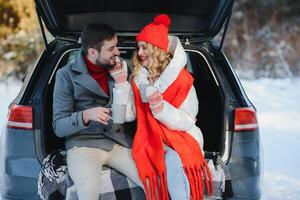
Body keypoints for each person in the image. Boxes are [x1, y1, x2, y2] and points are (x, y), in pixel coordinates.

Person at [52, 23, 141, 200]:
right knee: (88, 192)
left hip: (118, 142)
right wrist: (85, 115)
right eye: (111, 48)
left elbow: (132, 110)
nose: (117, 52)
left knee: (151, 181)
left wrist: (123, 83)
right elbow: (59, 126)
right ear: (92, 52)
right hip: (83, 146)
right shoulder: (66, 75)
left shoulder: (120, 67)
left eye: (116, 45)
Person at [130, 14, 214, 200]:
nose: (140, 52)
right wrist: (120, 88)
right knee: (168, 159)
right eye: (138, 48)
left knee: (174, 160)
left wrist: (162, 110)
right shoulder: (137, 81)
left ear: (157, 49)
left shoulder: (183, 81)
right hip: (149, 138)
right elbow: (127, 116)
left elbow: (187, 120)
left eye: (145, 47)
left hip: (181, 137)